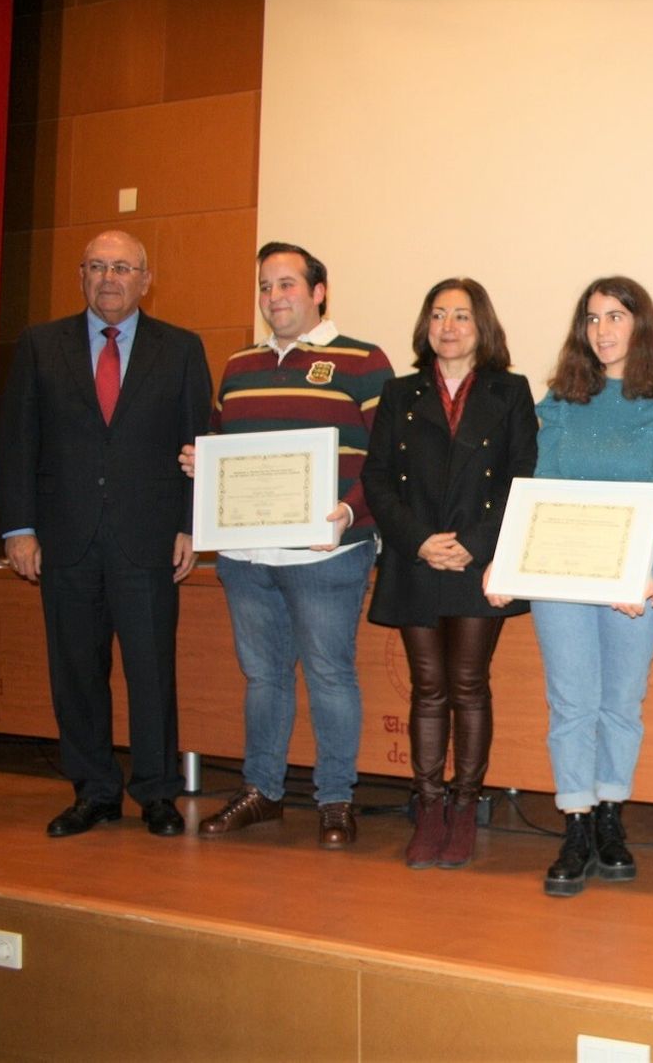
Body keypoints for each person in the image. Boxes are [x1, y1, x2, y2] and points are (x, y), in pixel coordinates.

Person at [0, 230, 213, 838]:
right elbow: (17, 442)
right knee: (75, 672)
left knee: (151, 671)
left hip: (148, 540)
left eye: (122, 267)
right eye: (97, 267)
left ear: (146, 279)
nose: (109, 278)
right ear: (81, 276)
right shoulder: (41, 345)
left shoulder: (182, 349)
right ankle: (94, 791)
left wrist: (190, 525)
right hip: (64, 539)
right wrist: (19, 529)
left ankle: (157, 793)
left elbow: (202, 445)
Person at [189, 242, 395, 850]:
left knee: (331, 676)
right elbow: (225, 451)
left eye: (286, 285)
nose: (274, 297)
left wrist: (350, 512)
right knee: (263, 678)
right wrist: (202, 465)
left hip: (328, 554)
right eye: (265, 286)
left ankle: (335, 799)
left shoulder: (363, 362)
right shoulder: (238, 367)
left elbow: (387, 463)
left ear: (318, 291)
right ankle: (263, 792)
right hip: (247, 559)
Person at [508, 276, 653, 897]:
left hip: (636, 583)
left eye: (616, 316)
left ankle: (612, 814)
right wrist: (511, 564)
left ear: (641, 326)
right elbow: (542, 488)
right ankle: (576, 823)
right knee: (570, 702)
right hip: (563, 576)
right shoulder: (560, 401)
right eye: (592, 318)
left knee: (621, 701)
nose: (603, 330)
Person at [362, 278, 537, 869]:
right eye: (438, 314)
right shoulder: (399, 392)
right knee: (428, 688)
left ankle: (465, 805)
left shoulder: (510, 392)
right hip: (417, 558)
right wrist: (419, 542)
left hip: (476, 561)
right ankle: (429, 804)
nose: (449, 326)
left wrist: (475, 545)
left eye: (462, 315)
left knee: (468, 685)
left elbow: (521, 476)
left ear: (481, 326)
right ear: (426, 326)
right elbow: (378, 479)